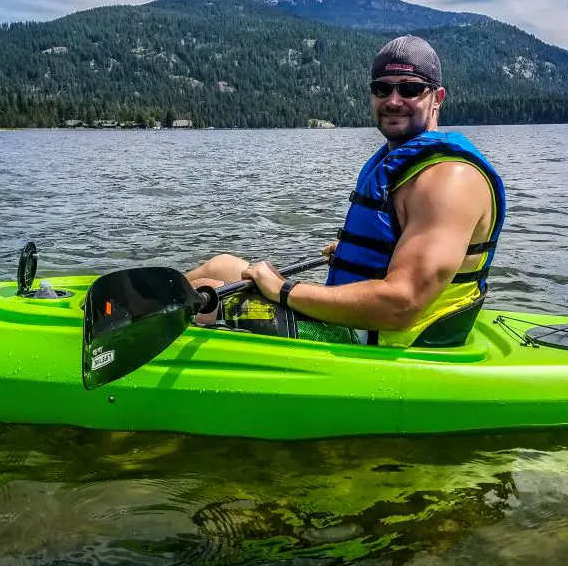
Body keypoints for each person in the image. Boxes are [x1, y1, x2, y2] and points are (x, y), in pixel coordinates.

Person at [186, 34, 506, 347]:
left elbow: (401, 304)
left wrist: (283, 289)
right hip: (360, 323)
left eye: (410, 89)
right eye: (382, 88)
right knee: (220, 265)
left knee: (205, 295)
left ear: (437, 98)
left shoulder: (449, 179)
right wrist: (360, 253)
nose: (394, 101)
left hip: (386, 339)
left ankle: (142, 356)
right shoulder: (412, 165)